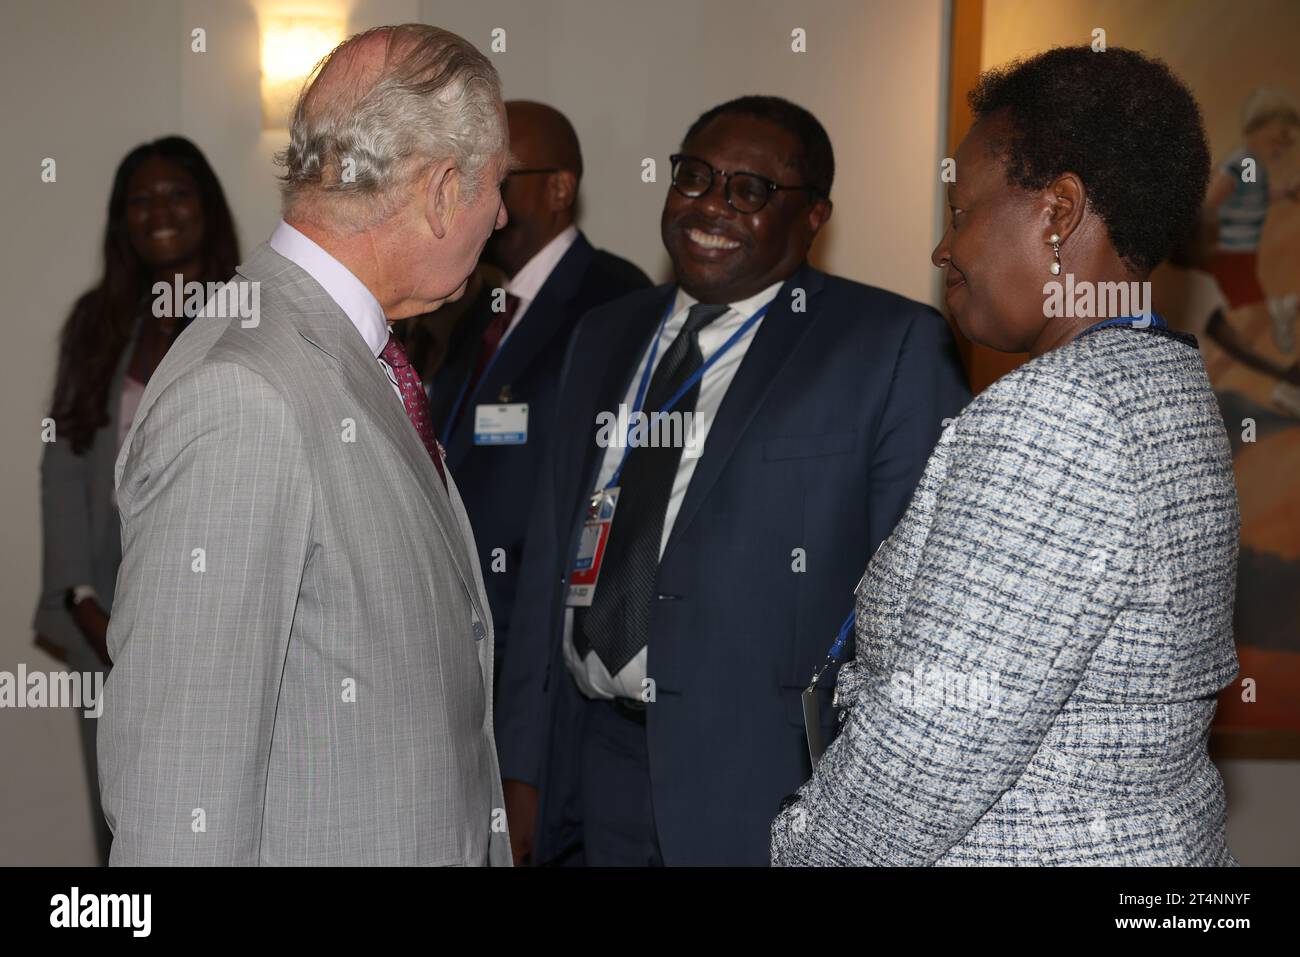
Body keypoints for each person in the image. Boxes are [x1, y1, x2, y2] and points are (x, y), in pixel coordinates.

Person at [771, 47, 1239, 866]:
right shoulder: (1164, 381)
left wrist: (801, 847)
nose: (941, 250)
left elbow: (926, 747)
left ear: (1059, 211)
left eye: (961, 212)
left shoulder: (1060, 415)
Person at [497, 95, 970, 866]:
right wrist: (522, 764)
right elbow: (554, 549)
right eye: (694, 177)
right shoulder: (605, 334)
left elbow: (920, 608)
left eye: (751, 190)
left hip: (765, 788)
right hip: (591, 764)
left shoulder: (887, 347)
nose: (712, 204)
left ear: (814, 215)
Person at [99, 24, 513, 866]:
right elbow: (181, 806)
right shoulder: (245, 392)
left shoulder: (356, 350)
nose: (501, 215)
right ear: (440, 192)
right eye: (495, 187)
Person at [34, 135, 239, 866]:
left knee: (225, 828)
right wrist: (89, 607)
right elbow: (62, 465)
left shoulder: (249, 316)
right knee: (128, 838)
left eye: (176, 193)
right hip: (109, 630)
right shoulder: (96, 325)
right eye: (140, 198)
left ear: (207, 208)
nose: (159, 210)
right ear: (122, 219)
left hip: (226, 623)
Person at [428, 99, 650, 680]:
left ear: (559, 188)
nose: (474, 197)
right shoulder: (478, 303)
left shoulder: (613, 297)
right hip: (454, 619)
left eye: (496, 177)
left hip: (538, 630)